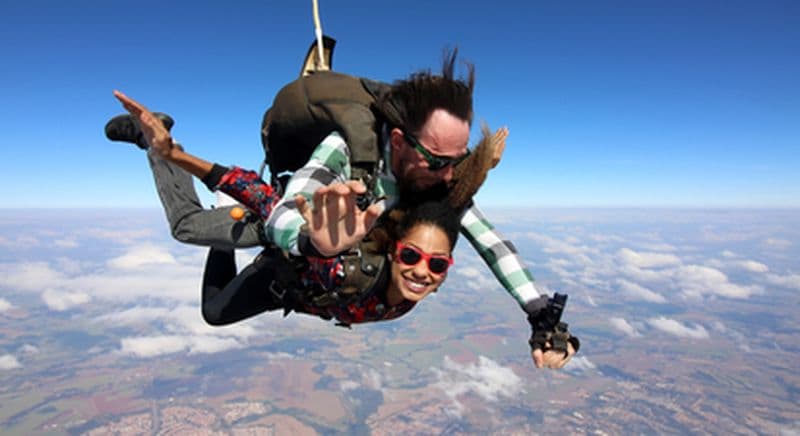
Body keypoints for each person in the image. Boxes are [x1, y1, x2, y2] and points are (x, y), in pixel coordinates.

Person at [107, 49, 579, 368]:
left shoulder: (440, 184)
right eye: (437, 160)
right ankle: (157, 146)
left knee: (214, 311)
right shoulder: (348, 152)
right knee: (189, 228)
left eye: (458, 162)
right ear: (399, 141)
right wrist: (312, 240)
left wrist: (541, 315)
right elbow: (291, 204)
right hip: (299, 230)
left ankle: (233, 218)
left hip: (317, 278)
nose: (448, 176)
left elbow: (494, 245)